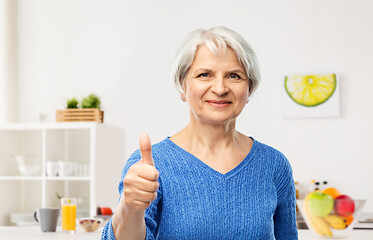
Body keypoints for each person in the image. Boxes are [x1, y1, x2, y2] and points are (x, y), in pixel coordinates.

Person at [101, 26, 298, 240]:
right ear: (183, 87)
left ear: (249, 89)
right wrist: (129, 208)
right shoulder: (150, 165)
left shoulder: (274, 165)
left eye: (234, 76)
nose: (220, 88)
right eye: (205, 75)